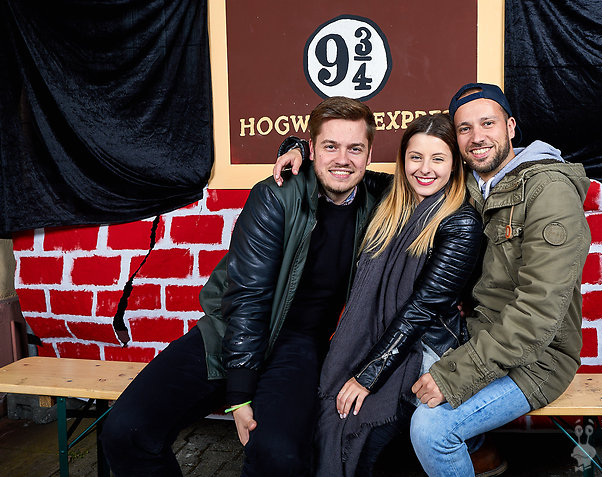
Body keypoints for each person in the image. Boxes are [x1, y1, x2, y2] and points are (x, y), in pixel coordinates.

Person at [101, 96, 390, 477]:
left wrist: (295, 146)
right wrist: (239, 394)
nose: (342, 159)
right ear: (313, 149)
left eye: (355, 148)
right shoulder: (276, 194)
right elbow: (248, 296)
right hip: (228, 331)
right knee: (125, 431)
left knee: (280, 457)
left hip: (298, 345)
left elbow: (428, 175)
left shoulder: (379, 198)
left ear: (370, 154)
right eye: (330, 146)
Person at [409, 83, 592, 477]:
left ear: (510, 127)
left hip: (539, 358)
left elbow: (537, 314)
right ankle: (480, 453)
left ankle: (467, 448)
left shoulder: (549, 190)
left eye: (487, 123)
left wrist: (455, 375)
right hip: (480, 336)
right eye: (464, 128)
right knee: (393, 373)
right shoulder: (470, 185)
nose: (477, 137)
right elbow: (386, 182)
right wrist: (302, 152)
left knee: (432, 429)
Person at [313, 114, 482, 476]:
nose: (425, 169)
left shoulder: (461, 223)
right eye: (415, 157)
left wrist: (366, 377)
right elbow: (347, 171)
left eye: (438, 158)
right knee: (330, 418)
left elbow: (421, 310)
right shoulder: (393, 199)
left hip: (425, 350)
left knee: (367, 438)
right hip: (381, 338)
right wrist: (298, 149)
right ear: (403, 160)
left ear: (455, 164)